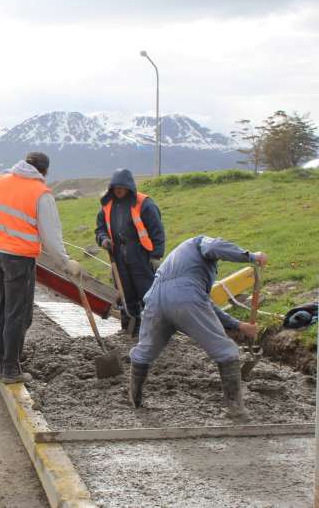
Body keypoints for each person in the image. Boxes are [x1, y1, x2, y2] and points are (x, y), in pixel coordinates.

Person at [128, 235, 267, 419]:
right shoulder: (201, 241)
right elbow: (214, 248)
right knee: (226, 351)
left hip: (154, 301)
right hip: (185, 299)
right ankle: (236, 409)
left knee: (145, 352)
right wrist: (251, 256)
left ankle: (135, 400)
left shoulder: (177, 262)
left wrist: (238, 325)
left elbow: (204, 302)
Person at [0, 152, 80, 384]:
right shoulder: (40, 193)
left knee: (0, 310)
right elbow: (51, 237)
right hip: (18, 259)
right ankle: (10, 369)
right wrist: (65, 263)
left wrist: (4, 234)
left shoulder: (0, 182)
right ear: (44, 171)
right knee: (18, 314)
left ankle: (4, 361)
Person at [95, 168, 165, 335]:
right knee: (124, 294)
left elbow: (157, 231)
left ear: (129, 187)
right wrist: (103, 239)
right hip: (118, 255)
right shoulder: (107, 206)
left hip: (141, 254)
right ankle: (128, 328)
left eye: (122, 187)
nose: (118, 190)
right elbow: (100, 229)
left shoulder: (144, 204)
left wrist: (156, 255)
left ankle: (155, 330)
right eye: (116, 187)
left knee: (147, 293)